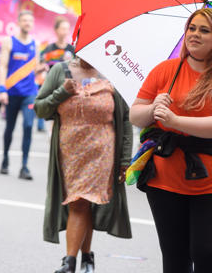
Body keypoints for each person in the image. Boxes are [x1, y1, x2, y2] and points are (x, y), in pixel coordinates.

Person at [129, 8, 212, 273]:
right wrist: (153, 108)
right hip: (164, 179)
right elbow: (135, 115)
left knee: (208, 254)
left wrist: (175, 121)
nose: (195, 34)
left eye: (204, 30)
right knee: (174, 257)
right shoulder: (165, 70)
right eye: (192, 28)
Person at [34, 57, 133, 273]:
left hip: (102, 152)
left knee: (80, 203)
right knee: (82, 203)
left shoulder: (113, 73)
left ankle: (69, 263)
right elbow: (40, 109)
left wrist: (125, 160)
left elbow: (125, 119)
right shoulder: (60, 71)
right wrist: (61, 92)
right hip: (70, 153)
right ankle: (87, 258)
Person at [0, 10, 42, 179]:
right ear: (19, 22)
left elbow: (35, 66)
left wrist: (41, 69)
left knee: (29, 126)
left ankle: (24, 166)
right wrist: (2, 90)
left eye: (30, 21)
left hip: (29, 93)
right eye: (24, 20)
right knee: (9, 127)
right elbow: (3, 66)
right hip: (11, 92)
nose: (27, 23)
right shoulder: (8, 42)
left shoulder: (35, 44)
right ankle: (5, 159)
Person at [36, 16, 75, 132]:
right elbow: (38, 67)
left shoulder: (72, 49)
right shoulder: (49, 49)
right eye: (62, 28)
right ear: (56, 30)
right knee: (52, 123)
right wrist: (43, 67)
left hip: (68, 89)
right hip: (51, 88)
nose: (65, 32)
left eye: (67, 29)